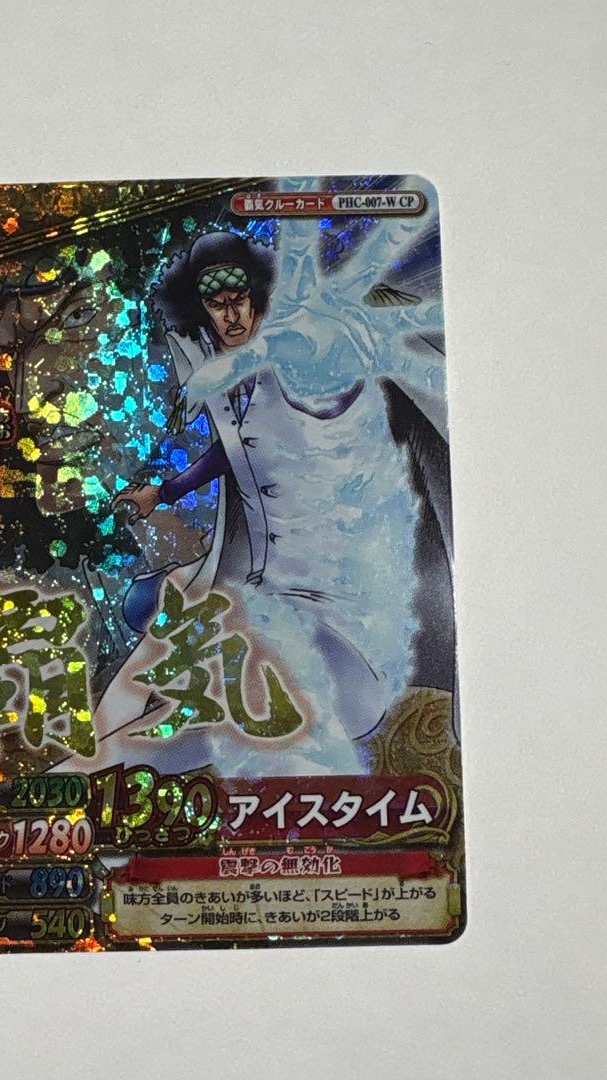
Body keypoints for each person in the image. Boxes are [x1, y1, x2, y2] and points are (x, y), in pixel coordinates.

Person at [76, 222, 452, 777]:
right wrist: (164, 490)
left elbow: (329, 389)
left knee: (185, 695)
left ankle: (87, 774)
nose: (231, 316)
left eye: (240, 301)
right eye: (217, 306)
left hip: (343, 636)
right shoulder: (231, 384)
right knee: (151, 614)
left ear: (259, 300)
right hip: (266, 600)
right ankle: (91, 767)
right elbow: (236, 451)